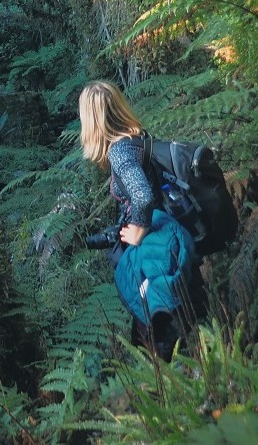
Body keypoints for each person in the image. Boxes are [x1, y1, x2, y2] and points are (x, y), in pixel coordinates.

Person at [78, 80, 196, 361]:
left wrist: (138, 230)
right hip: (168, 230)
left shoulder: (119, 152)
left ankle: (161, 379)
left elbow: (143, 196)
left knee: (153, 322)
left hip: (153, 240)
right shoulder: (138, 138)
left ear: (92, 120)